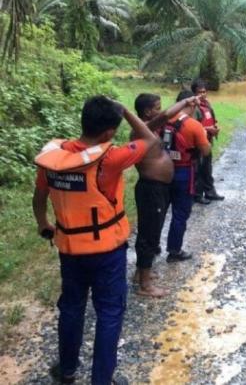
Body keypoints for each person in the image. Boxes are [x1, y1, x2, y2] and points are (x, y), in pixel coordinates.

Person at [33, 96, 158, 385]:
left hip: (70, 251)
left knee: (72, 307)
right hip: (107, 253)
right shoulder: (110, 159)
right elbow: (150, 139)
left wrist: (44, 225)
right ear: (109, 133)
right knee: (109, 313)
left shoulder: (54, 159)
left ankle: (67, 370)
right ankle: (101, 380)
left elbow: (39, 198)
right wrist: (125, 110)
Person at [132, 93, 199, 298]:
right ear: (147, 112)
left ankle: (142, 273)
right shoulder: (142, 130)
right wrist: (185, 102)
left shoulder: (148, 129)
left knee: (151, 232)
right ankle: (144, 285)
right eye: (157, 107)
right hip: (151, 188)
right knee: (149, 234)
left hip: (158, 188)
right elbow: (167, 116)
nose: (161, 111)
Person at [164, 90, 211, 263]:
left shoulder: (163, 121)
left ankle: (152, 248)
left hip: (162, 170)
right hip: (184, 171)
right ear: (190, 104)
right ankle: (174, 250)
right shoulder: (194, 125)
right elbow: (206, 151)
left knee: (161, 211)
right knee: (180, 212)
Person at [191, 78, 224, 204]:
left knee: (207, 168)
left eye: (204, 92)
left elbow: (211, 119)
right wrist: (208, 129)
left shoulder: (207, 104)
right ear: (194, 93)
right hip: (199, 143)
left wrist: (215, 126)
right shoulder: (194, 108)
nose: (202, 95)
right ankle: (198, 195)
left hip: (208, 141)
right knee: (199, 169)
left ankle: (210, 192)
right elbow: (193, 126)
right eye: (199, 92)